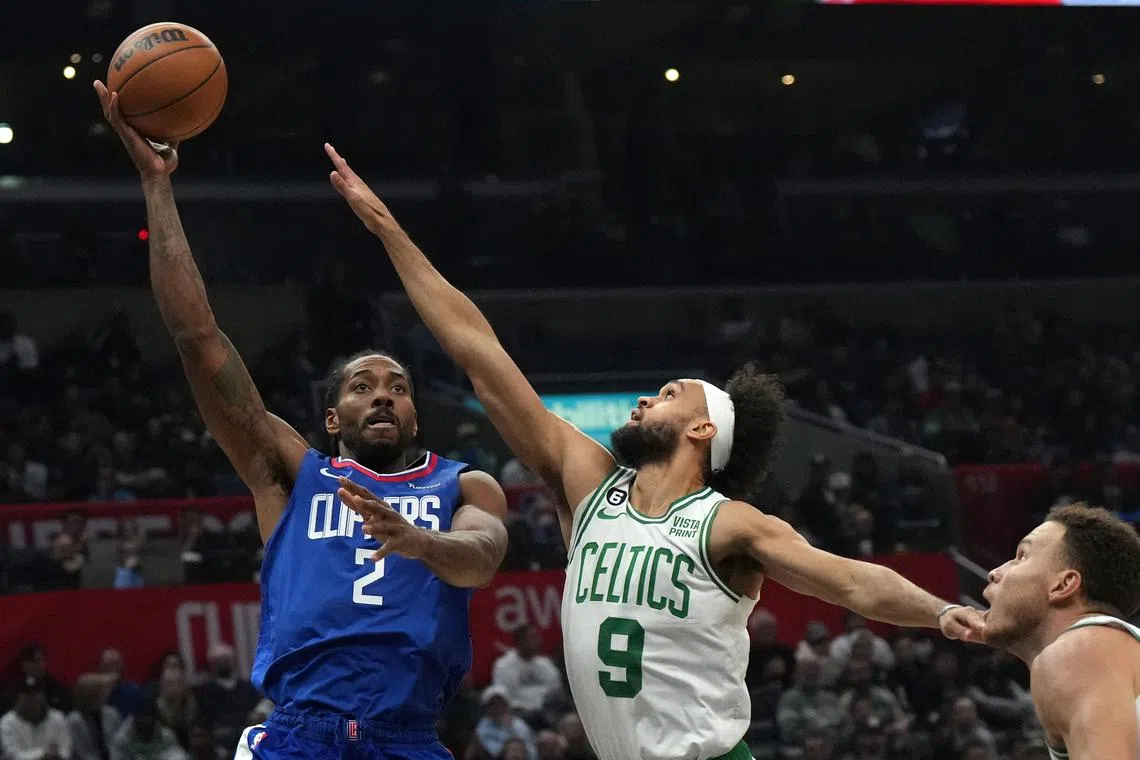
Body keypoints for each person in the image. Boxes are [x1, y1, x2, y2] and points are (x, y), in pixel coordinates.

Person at [323, 144, 985, 760]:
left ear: (703, 431)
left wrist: (942, 610)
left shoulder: (726, 523)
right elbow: (479, 353)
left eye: (669, 394)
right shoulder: (590, 486)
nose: (646, 400)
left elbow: (847, 580)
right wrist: (388, 230)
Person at [93, 84, 509, 760]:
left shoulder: (463, 486)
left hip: (407, 737)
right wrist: (157, 187)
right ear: (331, 415)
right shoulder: (291, 474)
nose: (382, 397)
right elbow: (198, 338)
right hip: (298, 734)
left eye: (398, 388)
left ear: (413, 413)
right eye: (363, 386)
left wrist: (420, 541)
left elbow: (484, 557)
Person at [982, 503, 1140, 759]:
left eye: (1021, 556)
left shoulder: (1080, 648)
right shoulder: (1109, 647)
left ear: (1063, 585)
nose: (994, 573)